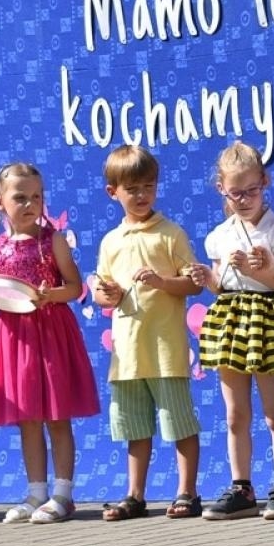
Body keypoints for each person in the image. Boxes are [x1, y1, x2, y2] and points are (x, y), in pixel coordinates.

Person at [0, 162, 100, 524]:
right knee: (27, 418)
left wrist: (50, 295)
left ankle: (63, 494)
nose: (30, 204)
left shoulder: (52, 241)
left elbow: (75, 287)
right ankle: (35, 493)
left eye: (37, 197)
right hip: (14, 338)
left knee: (57, 415)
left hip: (51, 332)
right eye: (20, 198)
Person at [89, 145, 203, 521]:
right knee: (135, 428)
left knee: (179, 424)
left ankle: (187, 492)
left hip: (165, 350)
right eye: (132, 189)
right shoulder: (111, 241)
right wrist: (107, 294)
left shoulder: (170, 234)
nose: (141, 195)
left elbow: (194, 283)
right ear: (113, 192)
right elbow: (104, 290)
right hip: (127, 355)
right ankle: (135, 495)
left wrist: (162, 281)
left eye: (148, 187)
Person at [187, 142, 274, 521]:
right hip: (231, 319)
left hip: (268, 317)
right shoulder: (220, 234)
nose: (244, 200)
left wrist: (257, 270)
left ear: (265, 182)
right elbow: (221, 286)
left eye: (251, 190)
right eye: (236, 193)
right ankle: (242, 487)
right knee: (235, 414)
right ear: (221, 188)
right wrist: (207, 276)